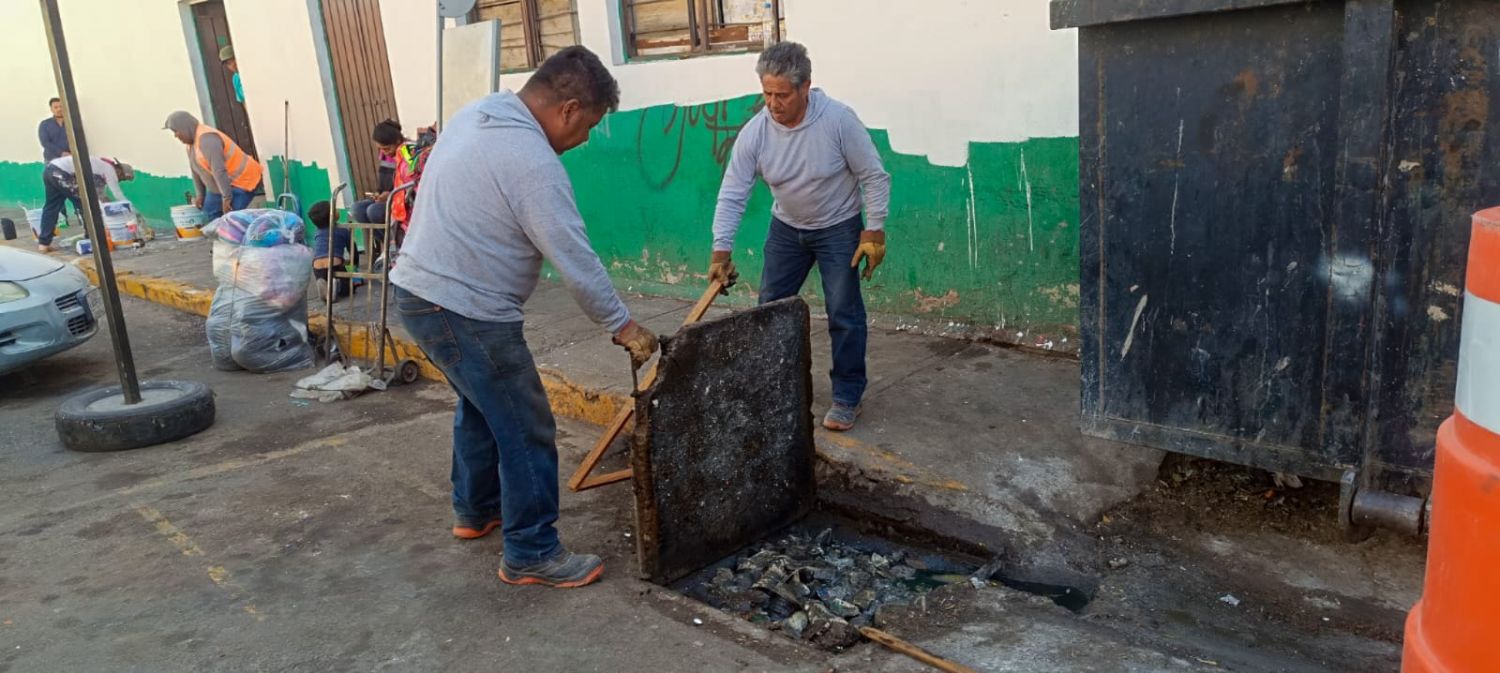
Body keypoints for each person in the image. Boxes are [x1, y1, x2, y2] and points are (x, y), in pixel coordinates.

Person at [390, 45, 657, 589]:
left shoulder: (479, 114)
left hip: (419, 291)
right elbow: (576, 259)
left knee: (482, 403)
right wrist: (624, 326)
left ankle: (475, 510)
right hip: (462, 306)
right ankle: (532, 549)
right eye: (589, 125)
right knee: (524, 422)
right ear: (569, 108)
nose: (583, 140)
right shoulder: (531, 160)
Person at [708, 41, 891, 432]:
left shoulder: (838, 121)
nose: (773, 104)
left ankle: (846, 395)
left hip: (838, 227)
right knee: (769, 310)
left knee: (844, 311)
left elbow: (873, 176)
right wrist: (720, 250)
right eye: (767, 94)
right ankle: (774, 388)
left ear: (806, 87)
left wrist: (873, 229)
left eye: (782, 95)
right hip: (786, 230)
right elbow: (733, 190)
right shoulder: (756, 132)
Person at [163, 111, 264, 220]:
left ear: (185, 127)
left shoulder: (207, 139)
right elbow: (195, 170)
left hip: (244, 182)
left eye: (176, 131)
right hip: (224, 185)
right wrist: (200, 195)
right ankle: (222, 234)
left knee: (232, 219)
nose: (175, 136)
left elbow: (219, 170)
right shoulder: (191, 145)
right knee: (209, 212)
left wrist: (227, 198)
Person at [36, 156, 133, 253]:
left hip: (50, 170)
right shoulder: (110, 170)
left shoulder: (100, 168)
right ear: (119, 171)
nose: (120, 181)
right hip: (60, 173)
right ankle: (92, 240)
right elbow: (118, 195)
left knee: (51, 207)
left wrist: (106, 204)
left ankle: (43, 245)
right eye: (122, 178)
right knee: (86, 206)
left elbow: (100, 195)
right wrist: (132, 211)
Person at [350, 119, 408, 227]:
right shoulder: (386, 156)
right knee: (357, 209)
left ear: (398, 141)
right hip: (389, 198)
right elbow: (384, 182)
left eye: (387, 148)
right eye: (381, 149)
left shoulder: (409, 153)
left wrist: (391, 194)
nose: (385, 152)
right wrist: (379, 193)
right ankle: (383, 241)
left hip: (404, 200)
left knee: (374, 211)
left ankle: (393, 241)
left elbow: (411, 184)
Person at [308, 201, 355, 301]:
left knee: (323, 278)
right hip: (335, 264)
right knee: (349, 287)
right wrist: (353, 268)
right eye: (335, 209)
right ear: (333, 216)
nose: (337, 210)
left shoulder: (317, 232)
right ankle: (338, 286)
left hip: (317, 266)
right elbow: (353, 251)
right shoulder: (343, 230)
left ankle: (326, 288)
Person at [39, 97, 69, 162]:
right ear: (51, 109)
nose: (59, 109)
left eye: (61, 106)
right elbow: (45, 142)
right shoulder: (45, 124)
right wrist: (61, 153)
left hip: (70, 159)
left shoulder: (71, 123)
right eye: (56, 107)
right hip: (52, 160)